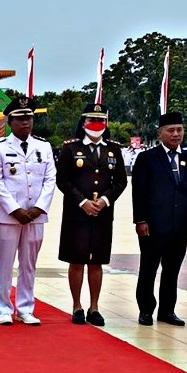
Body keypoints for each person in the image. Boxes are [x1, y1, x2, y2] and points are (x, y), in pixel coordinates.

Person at [56, 103, 128, 327]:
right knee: (76, 260)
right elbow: (63, 181)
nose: (96, 126)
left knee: (96, 261)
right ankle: (77, 305)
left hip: (103, 214)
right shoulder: (70, 148)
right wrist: (83, 202)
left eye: (100, 121)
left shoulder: (113, 149)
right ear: (84, 123)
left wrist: (104, 201)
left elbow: (121, 181)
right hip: (76, 214)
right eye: (91, 121)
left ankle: (94, 306)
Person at [0, 96, 56, 326]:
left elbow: (49, 179)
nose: (25, 122)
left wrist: (38, 208)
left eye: (29, 118)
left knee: (28, 264)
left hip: (35, 216)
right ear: (10, 122)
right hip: (8, 216)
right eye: (20, 119)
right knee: (4, 263)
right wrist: (15, 209)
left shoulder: (43, 146)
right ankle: (4, 308)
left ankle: (26, 307)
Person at [132, 111, 187, 326]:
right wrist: (140, 220)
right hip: (153, 225)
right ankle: (146, 309)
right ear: (160, 133)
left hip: (180, 225)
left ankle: (167, 310)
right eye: (171, 130)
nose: (176, 134)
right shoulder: (147, 158)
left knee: (172, 270)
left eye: (179, 130)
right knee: (148, 268)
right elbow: (139, 192)